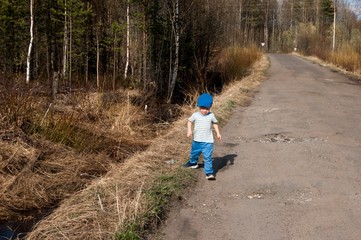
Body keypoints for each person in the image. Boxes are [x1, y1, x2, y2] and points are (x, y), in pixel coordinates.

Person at [183, 93, 221, 180]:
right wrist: (189, 130)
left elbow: (215, 124)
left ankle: (209, 173)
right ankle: (193, 163)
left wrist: (218, 133)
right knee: (194, 154)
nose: (204, 111)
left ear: (210, 106)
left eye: (207, 109)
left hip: (208, 142)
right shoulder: (195, 115)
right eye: (202, 108)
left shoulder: (211, 115)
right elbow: (189, 121)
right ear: (199, 107)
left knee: (207, 157)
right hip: (197, 141)